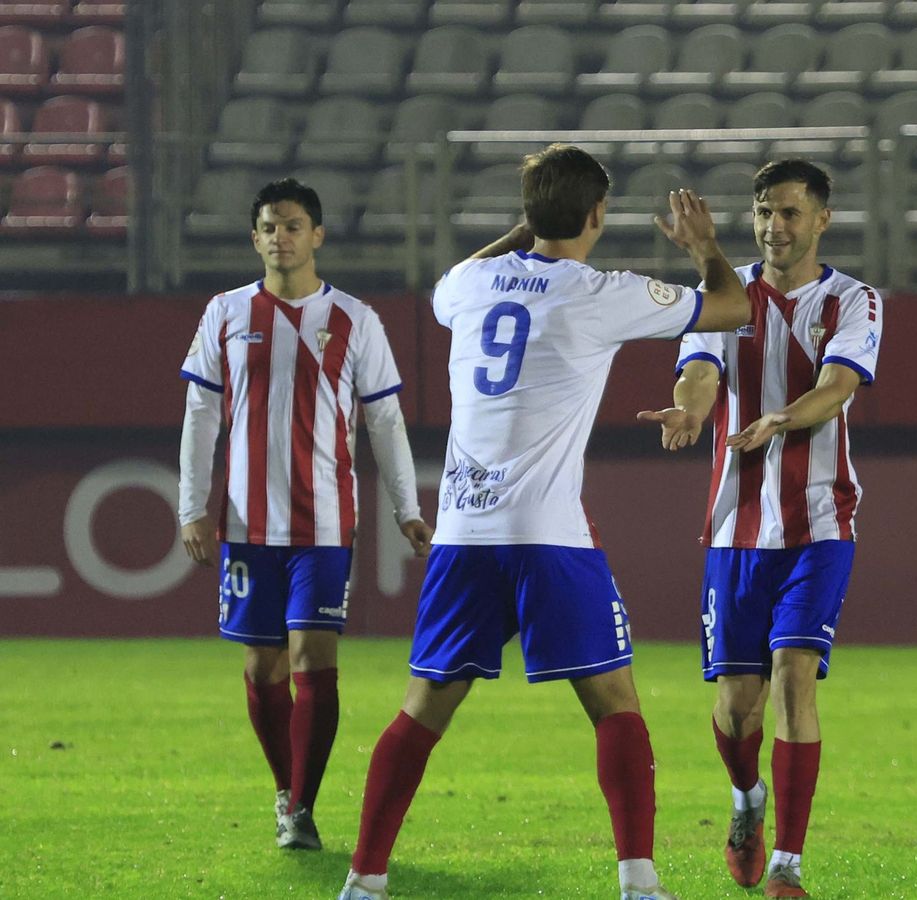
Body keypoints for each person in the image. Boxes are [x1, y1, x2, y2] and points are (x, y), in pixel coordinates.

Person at [336, 145, 750, 900]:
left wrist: (523, 232)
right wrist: (705, 248)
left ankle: (364, 879)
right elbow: (732, 307)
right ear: (598, 215)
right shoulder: (599, 292)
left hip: (463, 534)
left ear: (527, 214)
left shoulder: (468, 284)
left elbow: (447, 281)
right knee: (614, 704)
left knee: (423, 708)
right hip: (550, 534)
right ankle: (638, 882)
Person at [638, 159, 884, 899]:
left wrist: (783, 415)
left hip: (819, 522)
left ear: (821, 220)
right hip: (735, 530)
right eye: (764, 213)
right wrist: (689, 406)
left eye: (790, 213)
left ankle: (788, 865)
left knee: (793, 679)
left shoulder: (853, 300)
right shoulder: (725, 295)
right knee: (736, 705)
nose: (775, 226)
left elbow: (839, 386)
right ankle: (747, 801)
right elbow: (701, 372)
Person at [177, 178, 433, 851]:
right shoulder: (226, 313)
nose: (279, 237)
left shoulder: (354, 319)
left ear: (316, 235)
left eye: (292, 226)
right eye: (268, 226)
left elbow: (384, 418)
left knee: (312, 661)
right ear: (255, 237)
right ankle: (286, 788)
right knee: (263, 672)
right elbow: (201, 414)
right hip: (244, 524)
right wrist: (191, 506)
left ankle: (304, 808)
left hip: (323, 525)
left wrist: (408, 508)